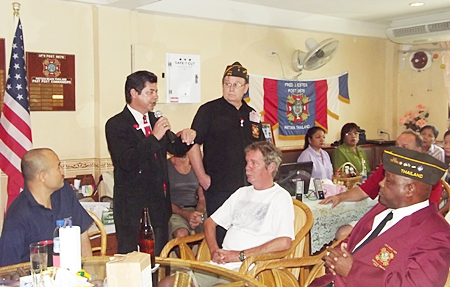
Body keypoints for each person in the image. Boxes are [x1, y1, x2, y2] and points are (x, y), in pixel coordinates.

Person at [160, 141, 295, 287]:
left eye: (253, 163)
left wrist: (240, 255)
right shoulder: (241, 193)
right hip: (220, 264)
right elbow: (210, 222)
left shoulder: (280, 197)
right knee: (167, 284)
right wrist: (214, 251)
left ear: (271, 167)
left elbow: (284, 242)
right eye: (247, 162)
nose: (247, 167)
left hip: (250, 270)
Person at [310, 147, 450, 287]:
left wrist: (353, 270)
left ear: (410, 189)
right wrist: (335, 257)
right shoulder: (383, 208)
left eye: (388, 181)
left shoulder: (436, 233)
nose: (380, 183)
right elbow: (351, 241)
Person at [105, 70, 196, 255]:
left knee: (160, 258)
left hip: (159, 205)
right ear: (133, 93)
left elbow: (175, 148)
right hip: (132, 207)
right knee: (133, 259)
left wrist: (188, 138)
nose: (155, 97)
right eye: (150, 92)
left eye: (156, 91)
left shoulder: (155, 119)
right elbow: (127, 161)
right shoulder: (116, 124)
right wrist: (154, 137)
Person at [188, 61, 263, 246]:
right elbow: (192, 144)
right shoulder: (209, 110)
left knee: (247, 236)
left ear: (245, 88)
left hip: (248, 188)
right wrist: (202, 177)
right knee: (222, 238)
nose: (230, 89)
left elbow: (260, 148)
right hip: (220, 187)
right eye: (227, 84)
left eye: (236, 84)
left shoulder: (252, 114)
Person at [321, 131, 443, 238]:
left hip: (409, 227)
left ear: (419, 151)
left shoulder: (428, 177)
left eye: (404, 147)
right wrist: (340, 196)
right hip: (383, 216)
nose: (398, 150)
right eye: (397, 146)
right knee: (343, 233)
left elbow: (428, 215)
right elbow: (364, 190)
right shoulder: (388, 167)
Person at [0, 148, 93, 266]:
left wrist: (88, 275)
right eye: (58, 167)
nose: (62, 171)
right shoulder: (18, 214)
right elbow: (7, 268)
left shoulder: (64, 192)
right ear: (43, 177)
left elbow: (82, 235)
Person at [167, 154, 205, 239]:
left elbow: (202, 198)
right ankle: (186, 252)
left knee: (213, 228)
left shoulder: (197, 165)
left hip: (196, 209)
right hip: (176, 210)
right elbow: (164, 201)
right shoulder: (167, 166)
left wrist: (198, 214)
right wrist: (187, 214)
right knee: (181, 233)